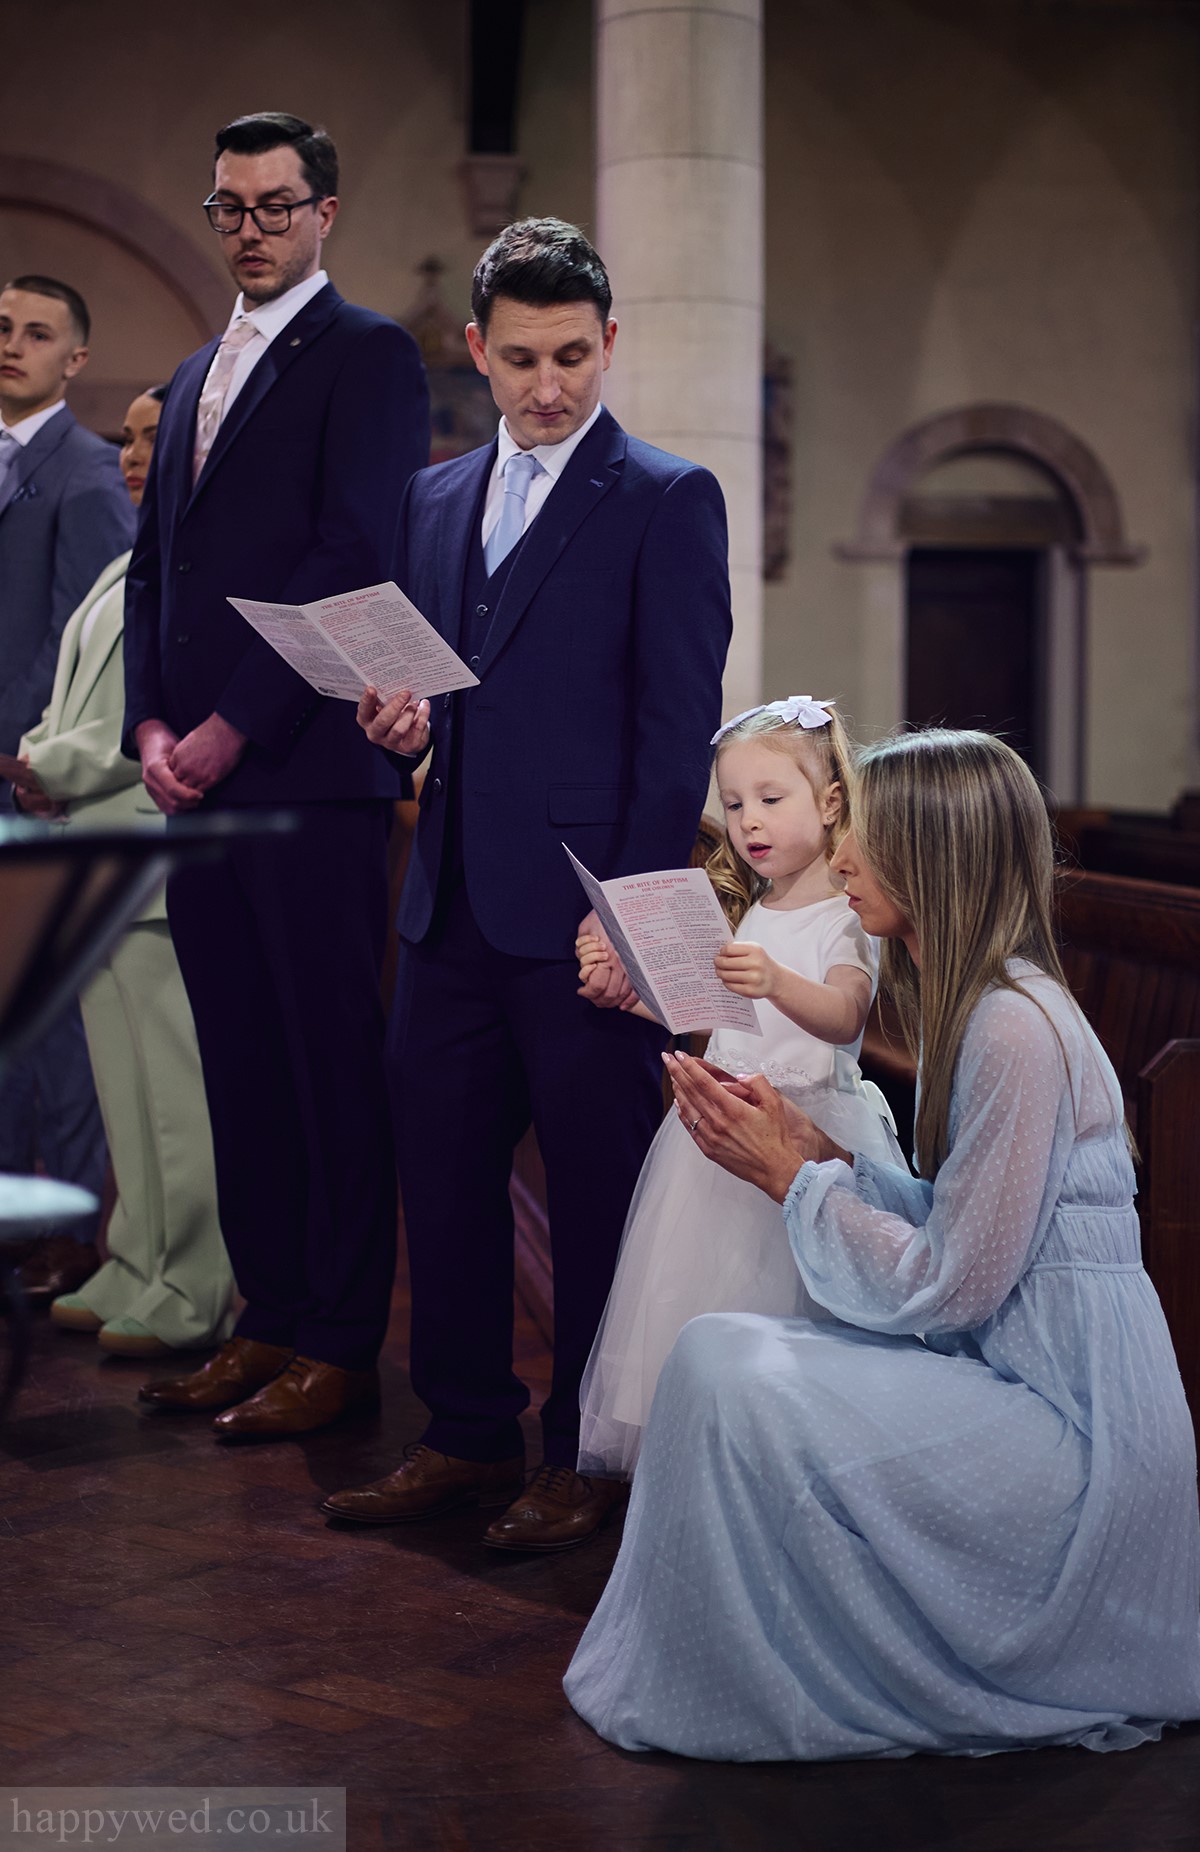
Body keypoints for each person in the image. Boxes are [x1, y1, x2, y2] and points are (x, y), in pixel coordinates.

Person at [565, 728, 1200, 1760]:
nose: (844, 859)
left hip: (1075, 1427)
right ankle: (737, 1663)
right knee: (718, 1354)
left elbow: (953, 1285)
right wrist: (819, 1149)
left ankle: (762, 1676)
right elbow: (964, 1223)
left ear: (934, 856)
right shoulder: (989, 1007)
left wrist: (791, 1176)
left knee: (736, 1374)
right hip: (1029, 1372)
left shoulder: (1014, 1027)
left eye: (868, 838)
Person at [323, 218, 731, 1549]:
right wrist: (397, 726)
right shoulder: (430, 501)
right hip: (443, 906)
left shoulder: (668, 498)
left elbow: (677, 736)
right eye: (520, 359)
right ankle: (461, 1434)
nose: (548, 384)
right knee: (438, 1179)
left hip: (581, 923)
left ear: (611, 343)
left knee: (600, 1193)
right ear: (475, 352)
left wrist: (627, 923)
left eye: (572, 355)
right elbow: (437, 700)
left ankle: (582, 1454)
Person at [125, 112, 429, 1437]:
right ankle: (269, 1319)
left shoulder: (366, 356)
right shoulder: (194, 372)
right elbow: (157, 569)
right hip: (195, 781)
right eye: (229, 207)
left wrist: (234, 724)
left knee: (325, 1063)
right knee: (237, 1062)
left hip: (304, 772)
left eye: (273, 205)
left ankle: (343, 1343)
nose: (249, 228)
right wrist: (147, 722)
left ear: (326, 213)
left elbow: (351, 553)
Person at [574, 696, 901, 1480]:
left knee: (776, 1313)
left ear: (829, 802)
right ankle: (694, 1472)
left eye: (770, 799)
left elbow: (845, 1013)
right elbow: (719, 1016)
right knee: (692, 1302)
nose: (748, 822)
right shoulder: (754, 909)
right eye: (733, 803)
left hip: (800, 1137)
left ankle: (768, 1473)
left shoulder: (845, 915)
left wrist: (779, 981)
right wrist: (639, 996)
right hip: (717, 1136)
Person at [11, 386, 234, 1358]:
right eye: (128, 440)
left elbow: (151, 715)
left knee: (177, 1094)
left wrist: (44, 767)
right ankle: (136, 1257)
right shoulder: (125, 564)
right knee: (123, 1086)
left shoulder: (202, 567)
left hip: (148, 847)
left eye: (152, 438)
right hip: (93, 852)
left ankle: (195, 1282)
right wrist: (39, 755)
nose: (131, 455)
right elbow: (79, 701)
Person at [0, 275, 136, 1303]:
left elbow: (76, 648)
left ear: (74, 359)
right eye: (2, 328)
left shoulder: (90, 474)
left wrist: (24, 752)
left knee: (50, 1015)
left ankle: (72, 1221)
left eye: (38, 332)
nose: (14, 345)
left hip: (28, 775)